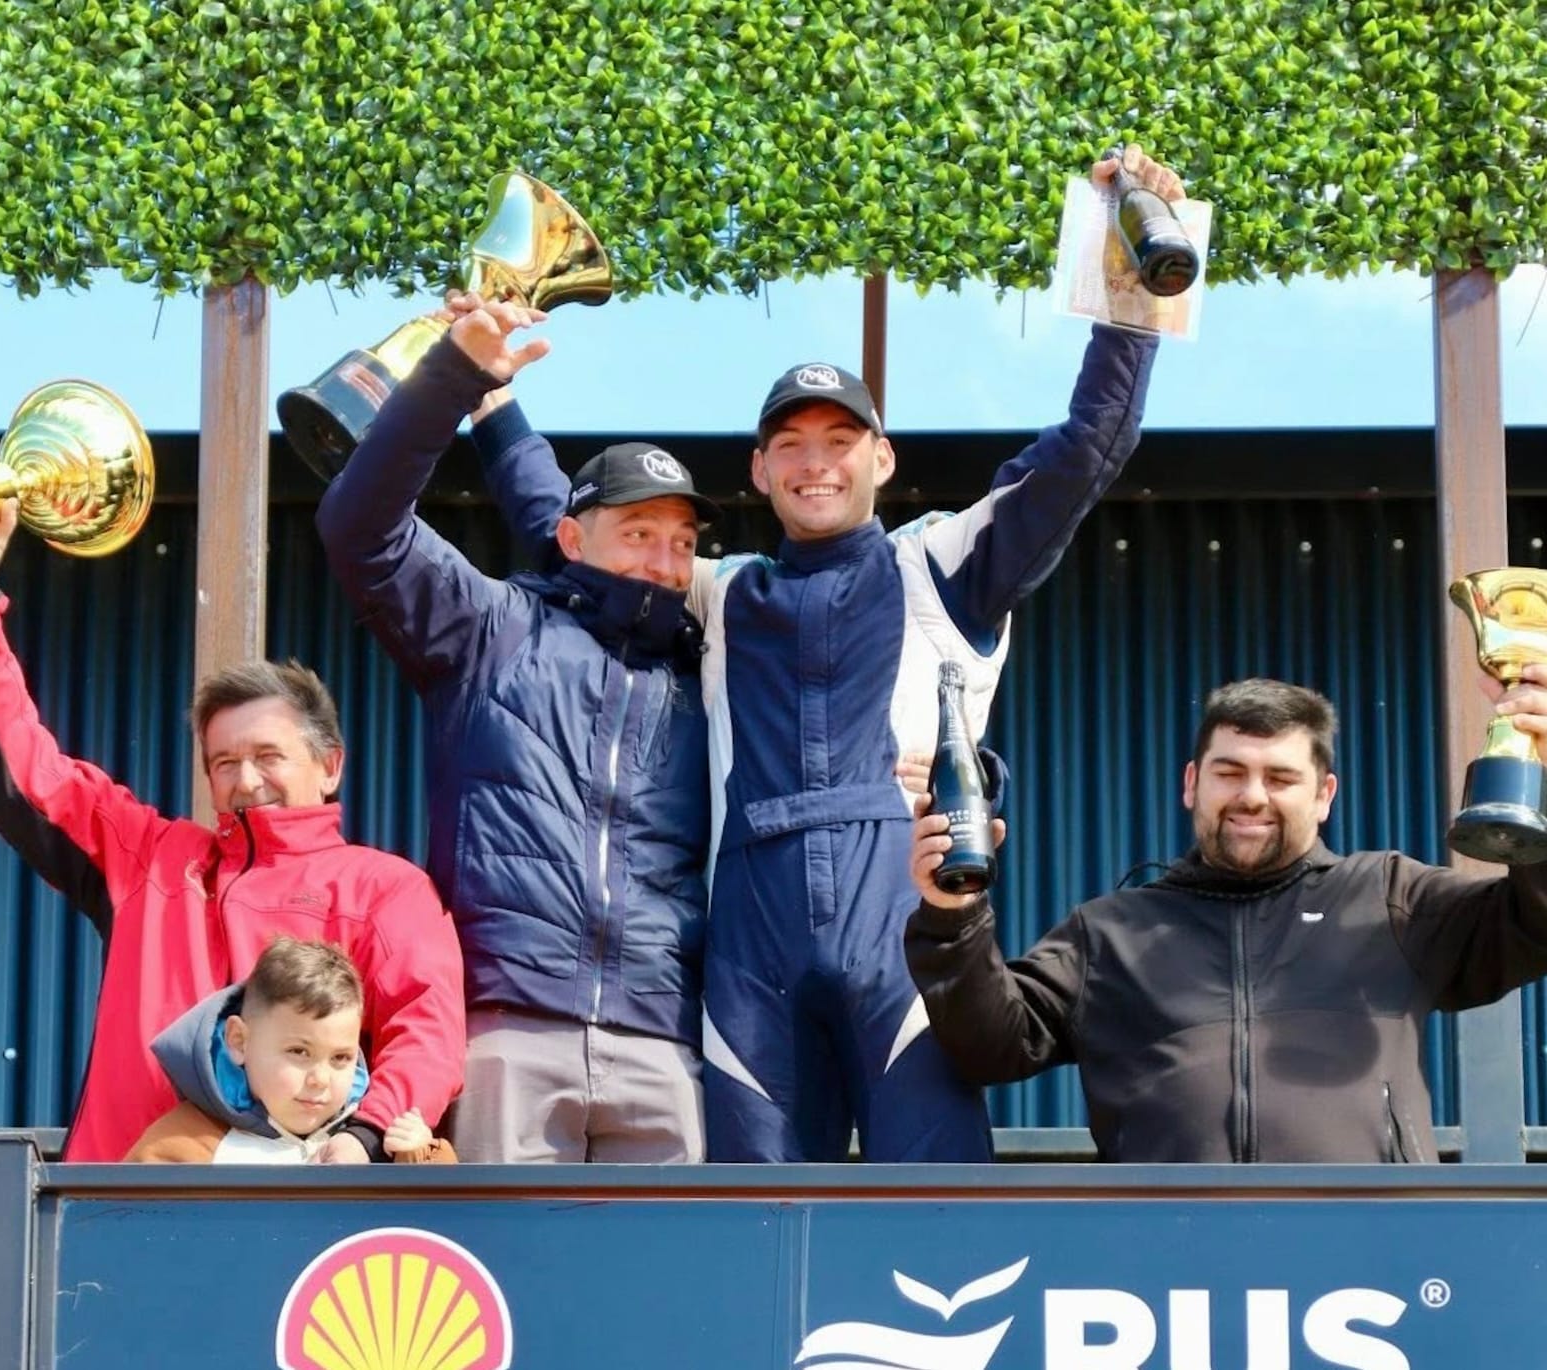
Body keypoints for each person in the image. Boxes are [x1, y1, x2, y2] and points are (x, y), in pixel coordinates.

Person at [471, 146, 1180, 1160]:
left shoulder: (941, 563)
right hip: (747, 953)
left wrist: (1134, 281)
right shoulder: (718, 592)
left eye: (839, 439)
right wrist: (490, 400)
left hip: (903, 930)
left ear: (881, 458)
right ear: (759, 469)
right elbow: (572, 533)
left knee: (932, 1215)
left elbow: (1085, 452)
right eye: (790, 442)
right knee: (750, 1227)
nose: (815, 460)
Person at [315, 301, 722, 1163]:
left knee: (668, 1300)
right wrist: (456, 377)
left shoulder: (707, 668)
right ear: (570, 540)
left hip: (663, 1041)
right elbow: (361, 528)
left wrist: (501, 418)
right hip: (507, 1028)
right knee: (506, 1291)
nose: (663, 560)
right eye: (639, 532)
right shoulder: (491, 628)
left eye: (681, 543)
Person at [0, 503, 467, 1163]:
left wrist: (366, 1135)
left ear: (329, 765)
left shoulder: (384, 888)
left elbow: (428, 1030)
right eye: (225, 762)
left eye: (268, 755)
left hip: (298, 1222)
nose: (247, 779)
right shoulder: (149, 860)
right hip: (117, 1204)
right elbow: (27, 769)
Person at [905, 676, 1547, 1162]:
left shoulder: (1390, 898)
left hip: (1373, 1254)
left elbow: (1534, 924)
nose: (1252, 796)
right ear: (1192, 783)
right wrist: (952, 910)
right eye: (1230, 772)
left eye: (1281, 777)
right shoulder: (1110, 933)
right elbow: (990, 1045)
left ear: (1324, 795)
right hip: (1167, 1269)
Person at [128, 936, 455, 1163]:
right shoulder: (181, 1147)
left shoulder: (377, 1144)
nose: (320, 1079)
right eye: (299, 1052)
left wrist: (418, 1157)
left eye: (341, 1058)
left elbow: (445, 1236)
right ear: (239, 1041)